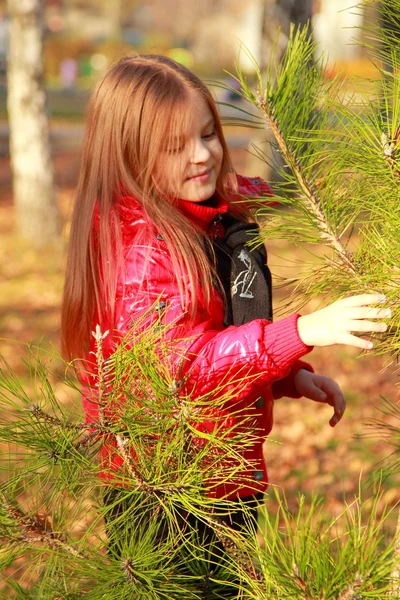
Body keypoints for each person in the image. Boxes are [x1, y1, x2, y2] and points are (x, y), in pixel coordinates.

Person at [60, 54, 391, 592]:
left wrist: (286, 377)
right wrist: (303, 331)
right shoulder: (143, 253)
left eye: (209, 134)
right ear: (127, 156)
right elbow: (183, 370)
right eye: (174, 147)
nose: (201, 155)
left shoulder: (206, 222)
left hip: (226, 480)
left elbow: (219, 328)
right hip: (166, 494)